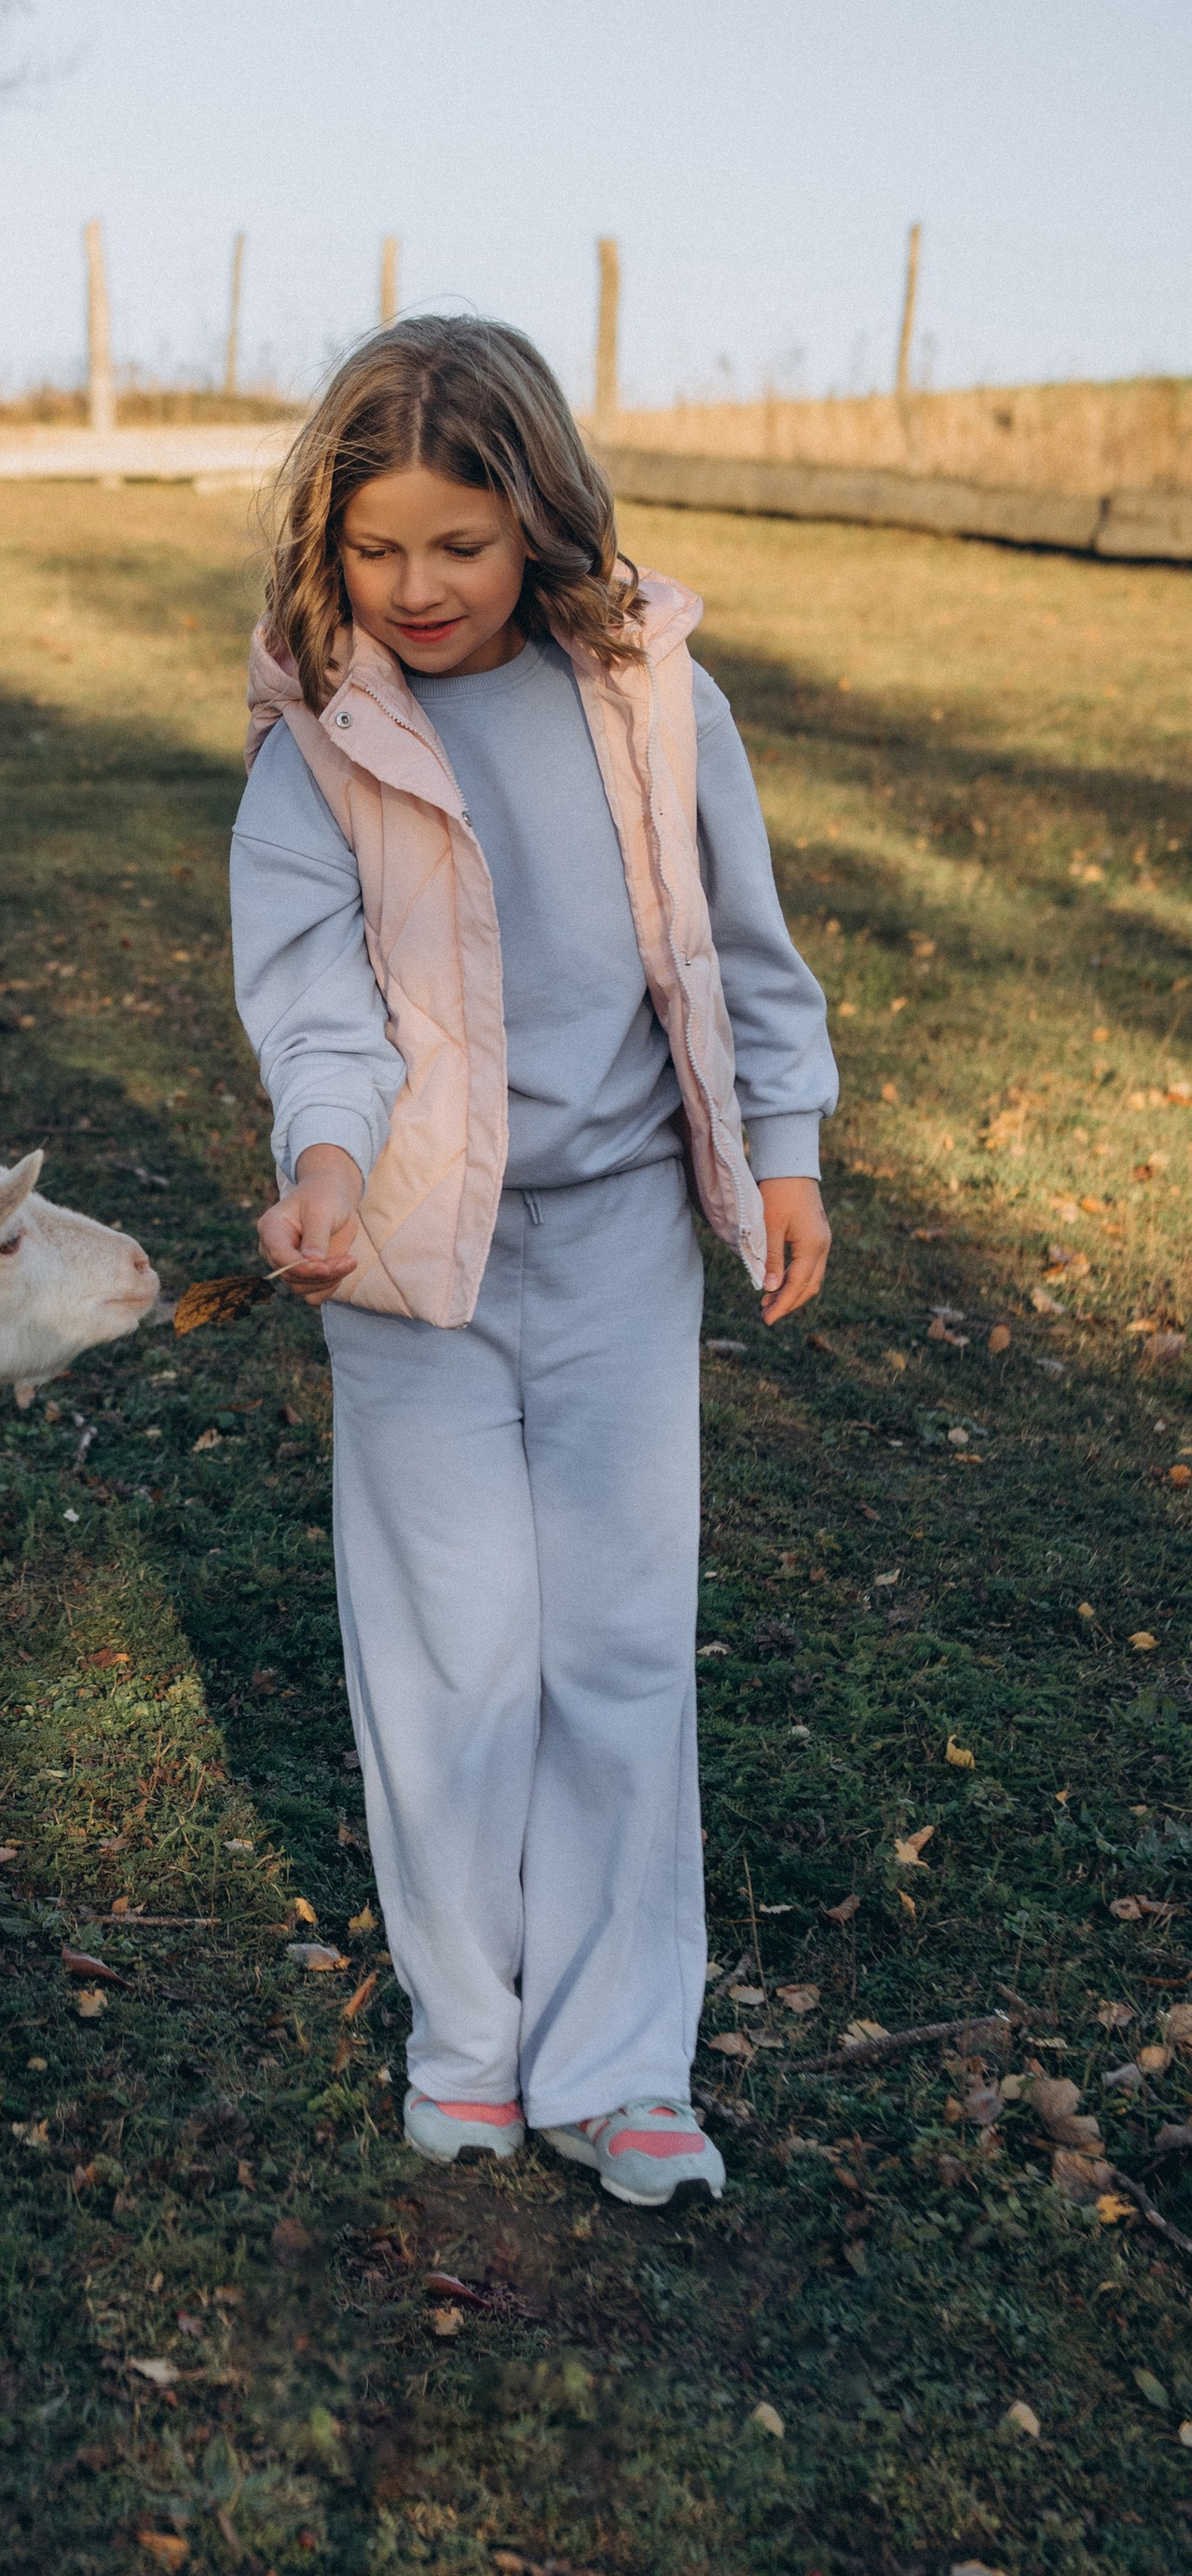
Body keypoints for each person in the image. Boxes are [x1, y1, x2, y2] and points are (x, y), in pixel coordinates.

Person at [230, 316, 835, 2207]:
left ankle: (614, 2059)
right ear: (326, 546)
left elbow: (737, 942)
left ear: (539, 526)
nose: (415, 590)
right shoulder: (316, 743)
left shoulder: (653, 699)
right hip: (410, 1264)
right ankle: (468, 2040)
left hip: (620, 1249)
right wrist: (323, 1170)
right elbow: (315, 1002)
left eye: (459, 547)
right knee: (454, 1657)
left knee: (614, 1644)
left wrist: (788, 1142)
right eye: (377, 548)